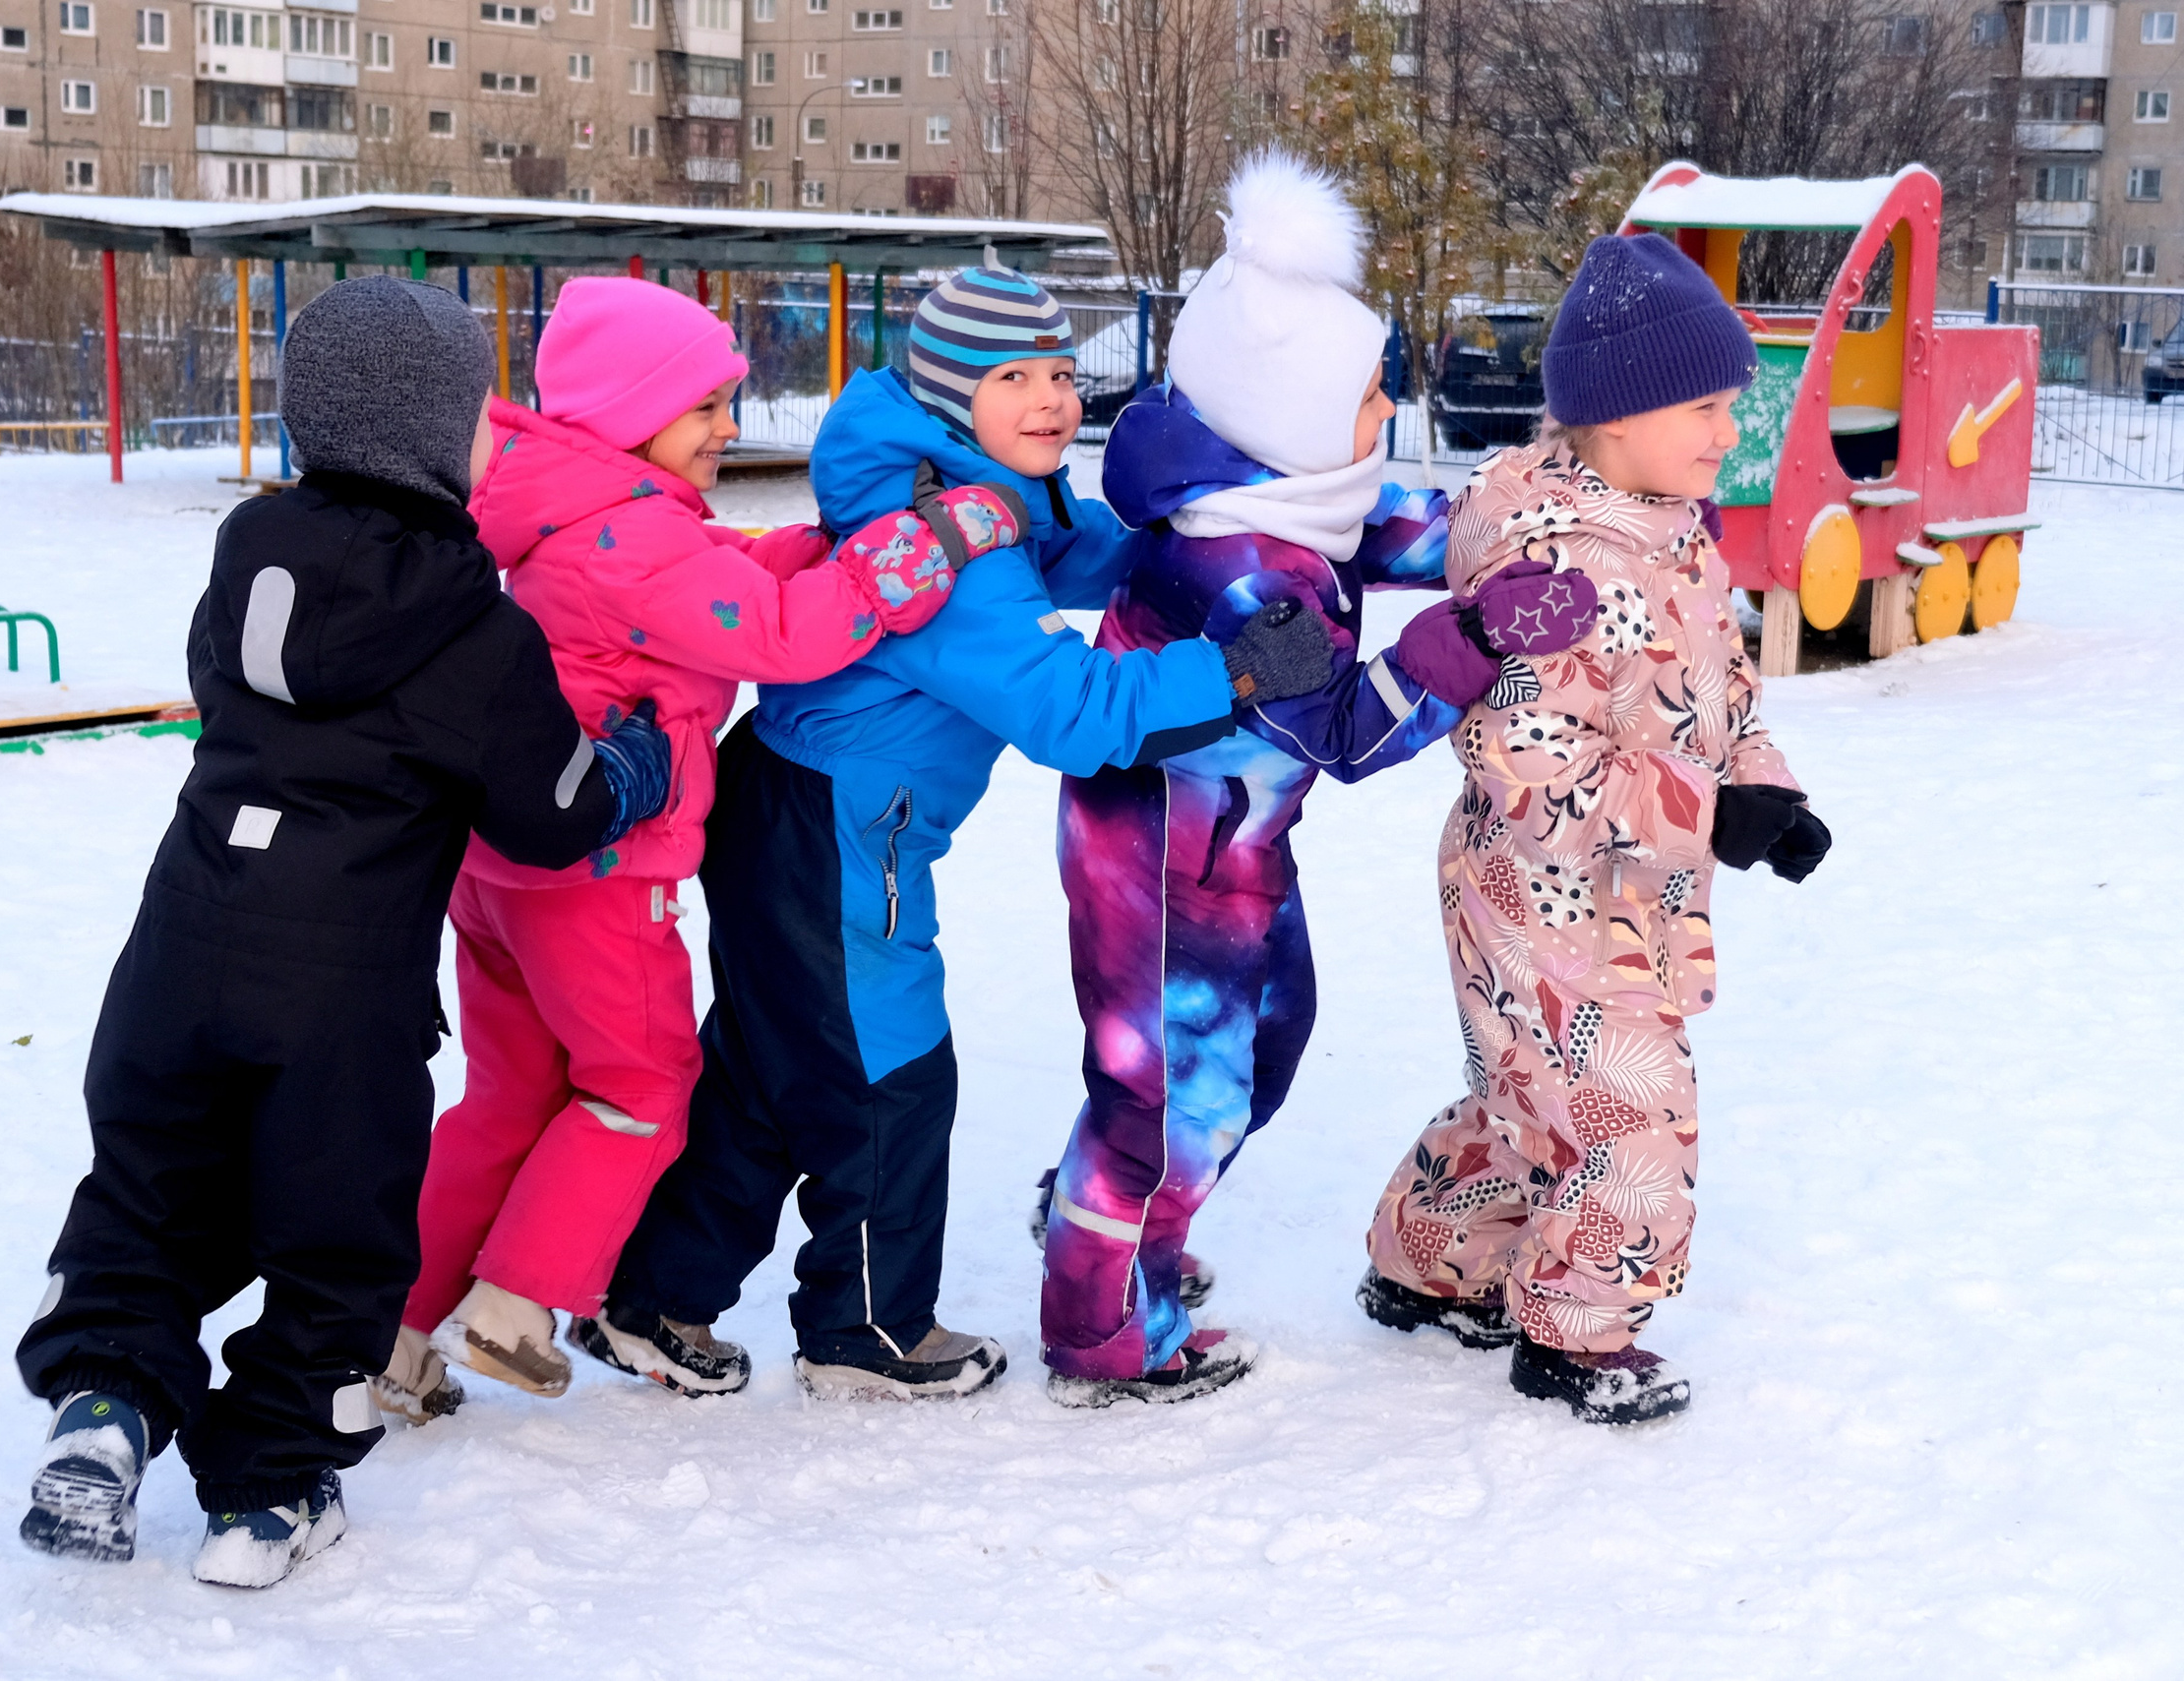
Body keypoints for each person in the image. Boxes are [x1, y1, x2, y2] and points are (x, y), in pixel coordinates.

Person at [13, 276, 672, 1588]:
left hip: (177, 953)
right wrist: (635, 764)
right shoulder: (476, 630)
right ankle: (267, 1493)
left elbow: (247, 696)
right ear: (437, 435)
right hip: (342, 992)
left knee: (150, 1191)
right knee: (335, 1234)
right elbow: (552, 814)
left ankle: (104, 1410)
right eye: (481, 416)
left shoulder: (247, 563)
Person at [579, 265, 1339, 1403]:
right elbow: (1073, 714)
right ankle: (866, 1331)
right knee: (889, 1081)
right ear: (947, 393)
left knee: (771, 1074)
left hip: (796, 814)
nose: (1049, 400)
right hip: (838, 833)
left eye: (1059, 375)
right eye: (1011, 378)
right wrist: (1231, 666)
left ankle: (654, 1297)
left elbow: (1055, 556)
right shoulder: (947, 546)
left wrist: (1174, 546)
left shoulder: (952, 488)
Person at [377, 277, 1024, 1421]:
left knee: (508, 1097)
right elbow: (780, 635)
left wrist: (817, 543)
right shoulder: (629, 538)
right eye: (704, 408)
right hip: (598, 878)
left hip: (500, 877)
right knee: (640, 1086)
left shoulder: (580, 507)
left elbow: (716, 579)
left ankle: (391, 1332)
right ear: (633, 415)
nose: (730, 425)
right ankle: (516, 1304)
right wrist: (918, 546)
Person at [1033, 151, 1604, 1408]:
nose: (1388, 407)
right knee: (1180, 1096)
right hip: (1167, 858)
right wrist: (1483, 633)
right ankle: (1100, 1321)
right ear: (1284, 405)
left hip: (1228, 844)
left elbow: (1396, 525)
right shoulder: (1243, 562)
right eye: (1365, 391)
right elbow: (1347, 732)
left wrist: (1538, 530)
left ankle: (1110, 1218)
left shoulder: (1288, 493)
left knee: (1264, 1046)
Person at [1359, 232, 1832, 1425]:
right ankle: (1574, 1332)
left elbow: (1719, 694)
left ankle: (1427, 1256)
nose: (1731, 430)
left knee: (1533, 1103)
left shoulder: (1672, 531)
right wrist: (1701, 813)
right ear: (1614, 415)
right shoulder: (1557, 562)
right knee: (1628, 1116)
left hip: (1626, 896)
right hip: (1538, 892)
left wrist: (1765, 795)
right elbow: (1518, 753)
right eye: (1707, 406)